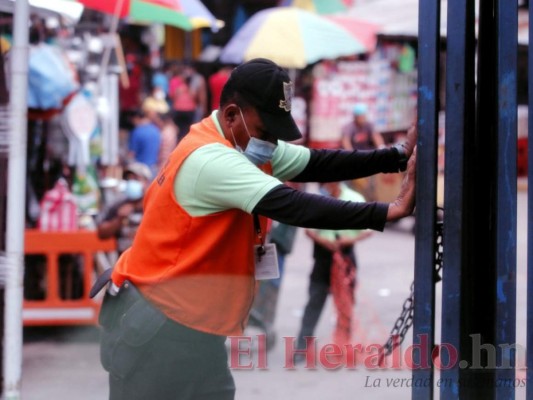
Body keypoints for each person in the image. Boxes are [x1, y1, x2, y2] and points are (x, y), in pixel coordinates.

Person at [91, 58, 417, 400]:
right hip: (157, 329)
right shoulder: (211, 160)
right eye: (266, 132)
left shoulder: (244, 143)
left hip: (195, 327)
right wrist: (387, 212)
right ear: (232, 115)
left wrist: (396, 155)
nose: (271, 143)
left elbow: (316, 162)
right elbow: (293, 205)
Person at [294, 181, 372, 361]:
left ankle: (342, 347)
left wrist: (348, 240)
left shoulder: (354, 199)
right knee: (314, 302)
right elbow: (308, 229)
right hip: (322, 258)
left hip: (345, 257)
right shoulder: (317, 200)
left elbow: (368, 229)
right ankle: (301, 348)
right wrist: (323, 241)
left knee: (345, 305)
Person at [96, 162, 152, 256]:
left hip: (149, 260)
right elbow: (101, 233)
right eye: (129, 178)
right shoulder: (119, 205)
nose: (131, 182)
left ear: (146, 182)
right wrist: (118, 219)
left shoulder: (152, 205)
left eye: (136, 178)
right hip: (125, 262)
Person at [128, 109, 161, 177]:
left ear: (136, 118)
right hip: (153, 167)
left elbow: (131, 154)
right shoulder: (156, 130)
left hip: (140, 170)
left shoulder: (137, 132)